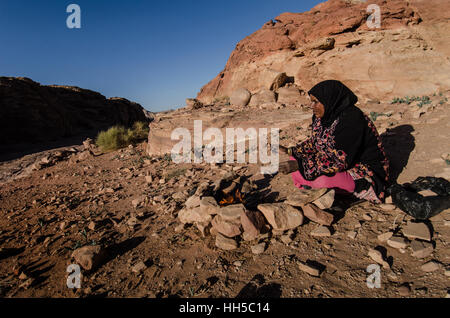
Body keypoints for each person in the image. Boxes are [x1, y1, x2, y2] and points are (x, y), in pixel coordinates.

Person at [280, 80, 389, 204]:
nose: (311, 106)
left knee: (321, 180)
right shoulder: (322, 116)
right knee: (294, 159)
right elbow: (316, 142)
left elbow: (340, 161)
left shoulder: (352, 119)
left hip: (361, 168)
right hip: (329, 160)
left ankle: (363, 189)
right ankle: (319, 188)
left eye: (316, 102)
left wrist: (300, 165)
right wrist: (291, 151)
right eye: (311, 101)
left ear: (330, 100)